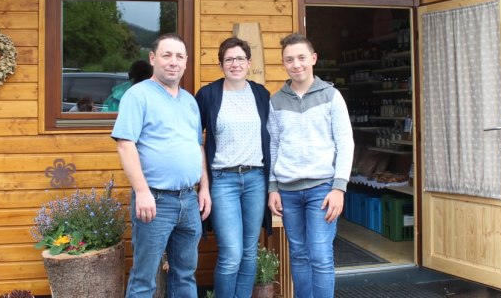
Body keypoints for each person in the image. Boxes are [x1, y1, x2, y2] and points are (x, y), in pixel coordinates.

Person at [111, 33, 211, 298]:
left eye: (179, 56)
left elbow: (197, 146)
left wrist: (204, 188)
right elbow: (125, 144)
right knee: (145, 277)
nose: (173, 62)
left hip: (189, 200)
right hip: (154, 200)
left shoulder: (190, 101)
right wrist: (142, 192)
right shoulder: (138, 95)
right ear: (153, 58)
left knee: (185, 275)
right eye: (167, 55)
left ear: (186, 62)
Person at [266, 33, 354, 298]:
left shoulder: (331, 96)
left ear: (313, 59)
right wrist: (273, 187)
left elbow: (345, 143)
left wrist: (339, 188)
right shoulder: (276, 100)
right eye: (289, 59)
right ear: (283, 64)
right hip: (289, 191)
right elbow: (273, 146)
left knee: (320, 254)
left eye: (301, 58)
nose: (296, 64)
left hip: (322, 189)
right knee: (299, 254)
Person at [195, 37, 272, 298]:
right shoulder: (208, 95)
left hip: (256, 179)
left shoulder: (261, 94)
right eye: (229, 59)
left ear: (249, 63)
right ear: (221, 64)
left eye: (240, 59)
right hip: (223, 180)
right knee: (231, 253)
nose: (235, 64)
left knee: (250, 250)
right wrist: (204, 185)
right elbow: (197, 143)